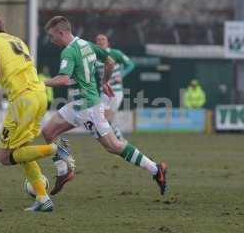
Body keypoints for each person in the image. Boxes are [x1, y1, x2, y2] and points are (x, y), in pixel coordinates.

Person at [40, 16, 168, 196]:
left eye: (52, 36)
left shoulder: (68, 52)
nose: (51, 40)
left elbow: (63, 79)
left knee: (113, 146)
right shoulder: (87, 45)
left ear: (61, 33)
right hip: (79, 104)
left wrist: (40, 83)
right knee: (48, 132)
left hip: (87, 108)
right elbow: (110, 62)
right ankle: (64, 171)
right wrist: (104, 81)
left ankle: (156, 169)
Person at [0, 13, 73, 212]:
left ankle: (57, 150)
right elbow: (16, 73)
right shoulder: (17, 40)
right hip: (39, 95)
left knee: (5, 157)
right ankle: (43, 199)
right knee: (22, 150)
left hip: (23, 101)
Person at [95, 34, 135, 139]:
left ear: (108, 42)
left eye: (103, 39)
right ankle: (117, 138)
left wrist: (122, 75)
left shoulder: (115, 53)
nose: (100, 41)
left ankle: (118, 139)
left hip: (115, 91)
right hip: (103, 92)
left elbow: (130, 64)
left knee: (106, 117)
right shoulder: (94, 56)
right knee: (102, 117)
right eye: (98, 40)